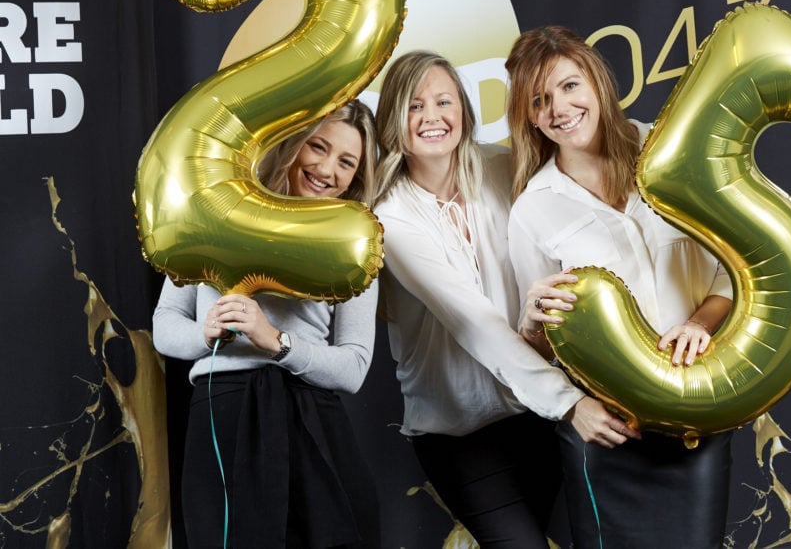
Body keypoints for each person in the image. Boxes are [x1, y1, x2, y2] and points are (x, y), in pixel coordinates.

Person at [372, 50, 636, 548]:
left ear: (465, 112)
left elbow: (581, 168)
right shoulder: (391, 217)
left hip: (534, 418)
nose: (433, 117)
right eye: (415, 106)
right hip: (461, 434)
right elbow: (474, 322)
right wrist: (570, 404)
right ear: (393, 120)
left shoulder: (505, 167)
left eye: (444, 101)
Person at [505, 26, 735, 549]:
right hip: (607, 429)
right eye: (538, 101)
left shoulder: (669, 151)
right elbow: (540, 347)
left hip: (693, 413)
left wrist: (699, 324)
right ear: (529, 117)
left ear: (597, 83)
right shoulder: (533, 209)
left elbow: (728, 269)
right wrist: (532, 323)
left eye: (568, 86)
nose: (558, 108)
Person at [153, 100, 381, 549]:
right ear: (293, 143)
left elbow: (354, 367)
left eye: (346, 162)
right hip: (224, 411)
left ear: (356, 177)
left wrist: (275, 340)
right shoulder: (215, 215)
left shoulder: (356, 246)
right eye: (319, 146)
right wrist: (205, 332)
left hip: (309, 417)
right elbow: (164, 324)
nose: (327, 169)